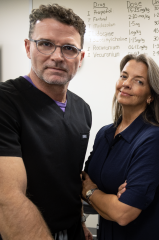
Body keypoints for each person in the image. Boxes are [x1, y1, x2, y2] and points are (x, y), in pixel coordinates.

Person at [0, 4, 92, 240]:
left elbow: (68, 178)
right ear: (28, 47)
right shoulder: (6, 101)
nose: (57, 56)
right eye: (46, 44)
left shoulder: (82, 110)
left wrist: (80, 220)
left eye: (69, 48)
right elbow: (6, 199)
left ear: (80, 58)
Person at [81, 54, 159, 240]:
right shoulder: (104, 133)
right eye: (124, 76)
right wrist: (108, 199)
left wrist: (90, 191)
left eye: (138, 81)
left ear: (151, 96)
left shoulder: (153, 138)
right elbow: (83, 179)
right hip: (109, 231)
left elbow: (124, 214)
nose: (126, 83)